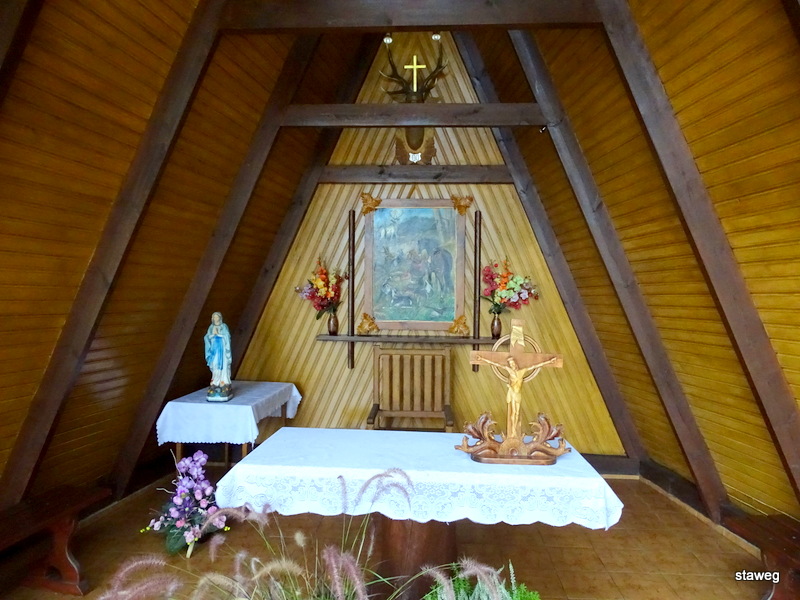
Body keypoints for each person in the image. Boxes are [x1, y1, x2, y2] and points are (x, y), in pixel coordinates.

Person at [472, 355, 557, 438]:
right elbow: (496, 364)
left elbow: (535, 366)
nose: (512, 365)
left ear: (515, 364)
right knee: (513, 413)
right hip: (512, 393)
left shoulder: (522, 371)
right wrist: (482, 358)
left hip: (518, 393)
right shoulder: (509, 370)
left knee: (517, 412)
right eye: (510, 364)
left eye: (513, 363)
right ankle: (512, 431)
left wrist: (549, 361)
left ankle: (515, 431)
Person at [204, 312, 232, 400]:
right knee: (215, 365)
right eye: (214, 318)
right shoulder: (211, 327)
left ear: (220, 318)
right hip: (214, 351)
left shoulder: (224, 326)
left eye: (217, 317)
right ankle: (215, 382)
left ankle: (224, 383)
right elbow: (207, 337)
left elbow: (227, 336)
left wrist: (219, 335)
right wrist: (212, 336)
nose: (216, 319)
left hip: (222, 351)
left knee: (224, 366)